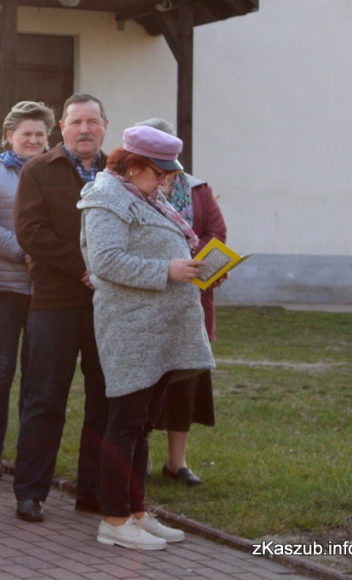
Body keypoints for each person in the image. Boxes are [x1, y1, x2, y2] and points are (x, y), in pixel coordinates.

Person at [79, 125, 214, 550]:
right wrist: (167, 270)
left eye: (169, 174)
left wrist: (192, 267)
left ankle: (136, 512)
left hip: (157, 328)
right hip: (131, 329)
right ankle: (114, 520)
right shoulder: (107, 198)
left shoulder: (143, 196)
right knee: (125, 425)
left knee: (141, 427)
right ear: (133, 165)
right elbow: (105, 261)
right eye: (159, 174)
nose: (166, 182)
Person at [12, 93, 111, 523]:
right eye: (76, 122)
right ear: (62, 129)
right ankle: (30, 492)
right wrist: (82, 268)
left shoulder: (119, 173)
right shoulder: (38, 170)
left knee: (104, 400)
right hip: (54, 304)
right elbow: (30, 232)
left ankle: (93, 491)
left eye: (92, 121)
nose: (84, 130)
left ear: (105, 126)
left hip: (108, 306)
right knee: (44, 400)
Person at [138, 120, 225, 487]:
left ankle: (177, 461)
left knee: (186, 379)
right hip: (146, 296)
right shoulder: (127, 190)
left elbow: (216, 232)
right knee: (143, 378)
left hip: (190, 297)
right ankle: (140, 457)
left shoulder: (198, 188)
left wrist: (191, 260)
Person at [0, 102, 51, 481]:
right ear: (9, 136)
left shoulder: (56, 171)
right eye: (26, 134)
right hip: (0, 288)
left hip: (45, 291)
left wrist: (47, 258)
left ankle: (27, 456)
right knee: (0, 371)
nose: (33, 140)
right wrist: (25, 252)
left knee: (36, 377)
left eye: (40, 134)